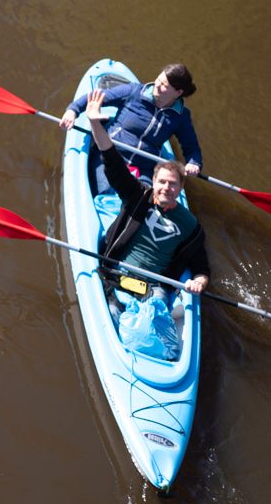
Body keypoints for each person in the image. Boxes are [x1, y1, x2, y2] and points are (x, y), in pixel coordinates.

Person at [83, 89, 209, 331]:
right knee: (113, 315)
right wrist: (95, 123)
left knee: (156, 326)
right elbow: (113, 162)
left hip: (153, 288)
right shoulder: (138, 196)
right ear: (153, 182)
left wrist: (199, 282)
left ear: (181, 188)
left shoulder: (191, 225)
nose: (166, 188)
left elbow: (202, 268)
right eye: (162, 182)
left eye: (173, 184)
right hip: (117, 273)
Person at [60, 64, 201, 194]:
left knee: (142, 199)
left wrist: (193, 163)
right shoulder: (133, 91)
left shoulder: (181, 117)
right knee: (105, 190)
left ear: (178, 93)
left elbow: (192, 147)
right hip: (111, 153)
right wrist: (73, 110)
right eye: (158, 79)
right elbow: (95, 97)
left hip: (144, 165)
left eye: (164, 85)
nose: (157, 85)